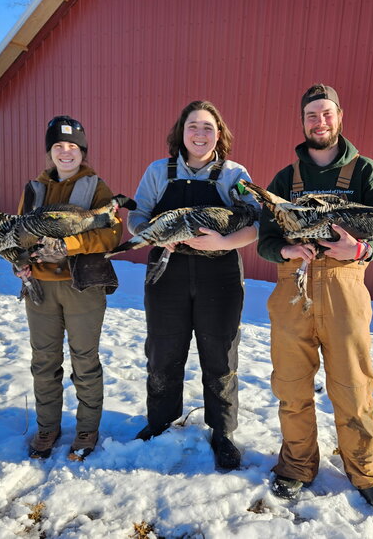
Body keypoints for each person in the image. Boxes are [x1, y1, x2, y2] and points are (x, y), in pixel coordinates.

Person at [256, 85, 373, 521]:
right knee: (291, 385)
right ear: (302, 122)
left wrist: (361, 252)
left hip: (345, 290)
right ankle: (298, 465)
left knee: (354, 386)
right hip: (293, 291)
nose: (318, 122)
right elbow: (266, 239)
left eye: (325, 113)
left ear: (339, 117)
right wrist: (284, 251)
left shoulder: (366, 173)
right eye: (310, 115)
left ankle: (365, 474)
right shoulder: (286, 180)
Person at [127, 100, 259, 470]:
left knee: (220, 353)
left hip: (220, 275)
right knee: (163, 349)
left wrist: (223, 242)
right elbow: (136, 216)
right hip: (167, 272)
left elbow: (258, 224)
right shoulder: (159, 171)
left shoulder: (235, 174)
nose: (200, 134)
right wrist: (151, 235)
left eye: (208, 127)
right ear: (180, 132)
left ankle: (222, 431)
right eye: (193, 126)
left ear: (219, 134)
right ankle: (160, 421)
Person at [17, 115, 123, 461]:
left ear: (82, 151)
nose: (66, 152)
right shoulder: (34, 189)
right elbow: (17, 234)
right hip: (40, 291)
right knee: (44, 361)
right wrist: (18, 262)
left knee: (84, 361)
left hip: (82, 288)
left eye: (73, 146)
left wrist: (70, 245)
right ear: (50, 151)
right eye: (59, 146)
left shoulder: (96, 188)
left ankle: (86, 428)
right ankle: (47, 427)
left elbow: (111, 233)